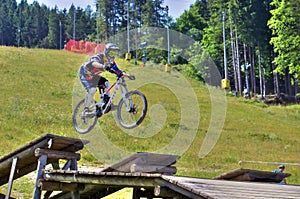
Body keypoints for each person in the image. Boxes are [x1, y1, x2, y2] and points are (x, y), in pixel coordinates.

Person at [79, 43, 124, 116]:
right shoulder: (99, 57)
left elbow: (117, 70)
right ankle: (86, 110)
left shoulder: (110, 62)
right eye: (111, 53)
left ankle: (106, 102)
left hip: (94, 76)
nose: (113, 55)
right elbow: (94, 63)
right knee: (92, 90)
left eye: (115, 53)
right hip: (85, 74)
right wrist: (103, 66)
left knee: (106, 83)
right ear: (106, 51)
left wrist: (124, 74)